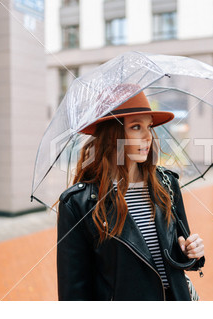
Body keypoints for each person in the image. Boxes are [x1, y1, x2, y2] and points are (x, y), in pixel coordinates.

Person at [55, 87, 205, 301]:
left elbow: (179, 253)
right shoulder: (78, 204)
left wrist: (191, 251)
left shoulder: (167, 185)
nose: (148, 136)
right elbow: (74, 294)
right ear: (112, 135)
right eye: (136, 127)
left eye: (149, 126)